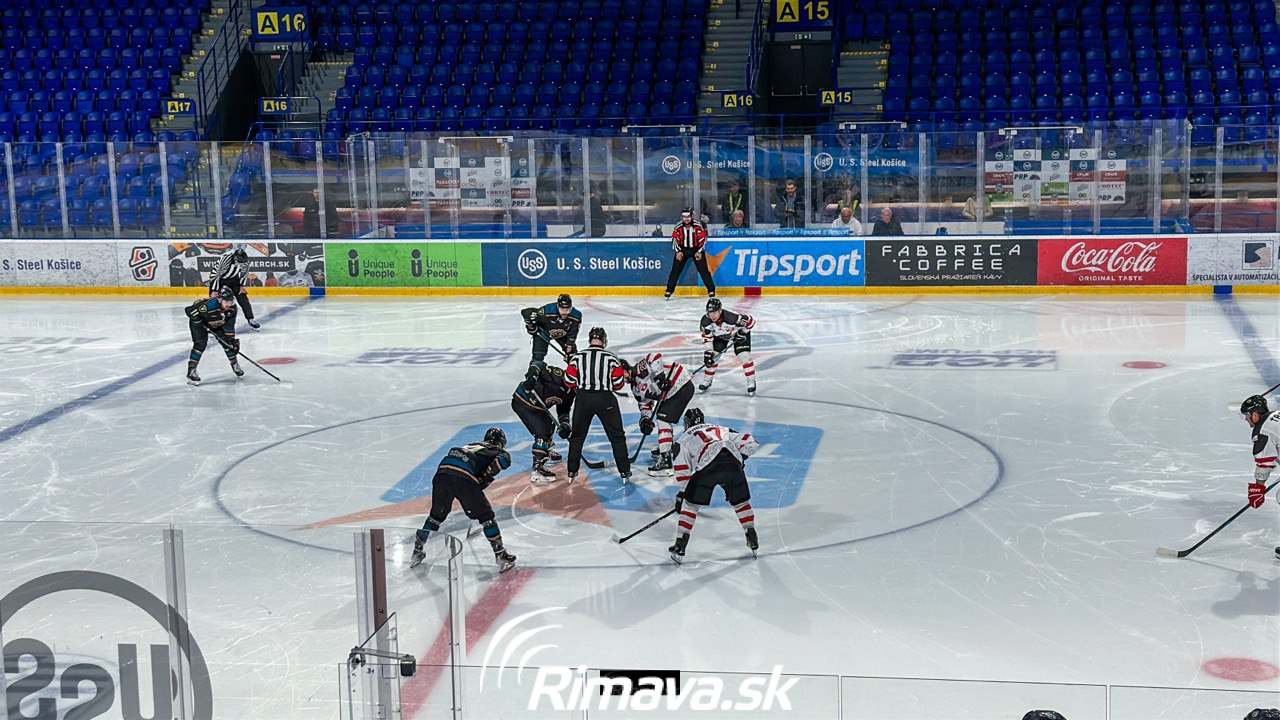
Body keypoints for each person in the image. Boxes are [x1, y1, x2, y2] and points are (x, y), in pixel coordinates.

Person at [409, 428, 517, 573]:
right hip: (462, 477)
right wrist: (486, 475)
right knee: (486, 517)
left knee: (435, 516)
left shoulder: (471, 445)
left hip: (442, 473)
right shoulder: (496, 450)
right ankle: (500, 554)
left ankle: (417, 550)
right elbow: (503, 460)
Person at [668, 407, 760, 564]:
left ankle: (680, 545)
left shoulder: (683, 439)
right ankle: (751, 535)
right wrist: (739, 459)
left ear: (686, 423)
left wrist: (684, 492)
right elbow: (752, 442)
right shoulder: (721, 429)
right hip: (732, 462)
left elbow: (682, 471)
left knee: (690, 505)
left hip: (708, 466)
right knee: (740, 502)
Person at [564, 326, 631, 483]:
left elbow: (568, 381)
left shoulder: (577, 357)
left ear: (590, 340)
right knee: (617, 436)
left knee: (577, 437)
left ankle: (572, 471)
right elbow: (619, 384)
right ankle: (624, 471)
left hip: (583, 399)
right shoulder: (612, 357)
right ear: (604, 340)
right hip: (605, 399)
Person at [626, 352, 695, 476]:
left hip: (681, 385)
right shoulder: (635, 388)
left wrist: (660, 377)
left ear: (626, 369)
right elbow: (644, 404)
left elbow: (654, 356)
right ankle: (666, 447)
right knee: (662, 417)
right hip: (671, 394)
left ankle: (665, 460)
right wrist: (645, 420)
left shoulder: (639, 368)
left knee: (663, 419)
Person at [513, 363, 575, 483]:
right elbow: (538, 364)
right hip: (523, 401)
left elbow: (563, 410)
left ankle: (545, 451)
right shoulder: (556, 375)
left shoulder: (571, 392)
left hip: (538, 408)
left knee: (550, 425)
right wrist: (532, 375)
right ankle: (538, 468)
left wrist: (565, 424)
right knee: (542, 433)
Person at [1240, 395, 1280, 559]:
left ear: (1255, 415)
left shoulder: (1262, 430)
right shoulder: (1277, 414)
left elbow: (1264, 463)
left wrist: (1258, 487)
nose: (1246, 419)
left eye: (1247, 416)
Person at [184, 286, 243, 385]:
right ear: (219, 299)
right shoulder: (208, 306)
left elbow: (229, 326)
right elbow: (189, 310)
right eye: (226, 302)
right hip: (200, 324)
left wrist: (231, 341)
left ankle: (235, 365)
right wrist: (198, 321)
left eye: (231, 301)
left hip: (216, 322)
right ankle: (192, 370)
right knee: (200, 344)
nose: (229, 304)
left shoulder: (232, 309)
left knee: (227, 344)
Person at [698, 298, 757, 396]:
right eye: (710, 313)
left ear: (720, 311)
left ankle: (751, 382)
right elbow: (707, 338)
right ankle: (707, 382)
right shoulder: (705, 322)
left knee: (745, 356)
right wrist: (709, 351)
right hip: (721, 336)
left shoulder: (732, 318)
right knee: (712, 358)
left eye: (715, 313)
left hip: (738, 334)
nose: (712, 316)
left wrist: (742, 333)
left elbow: (751, 321)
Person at [664, 207, 716, 300]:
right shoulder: (678, 226)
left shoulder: (698, 226)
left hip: (696, 250)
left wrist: (699, 251)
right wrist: (678, 251)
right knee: (675, 270)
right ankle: (669, 290)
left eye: (688, 216)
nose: (686, 219)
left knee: (703, 270)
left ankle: (711, 290)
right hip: (682, 250)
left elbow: (703, 239)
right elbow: (674, 239)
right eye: (684, 217)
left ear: (691, 216)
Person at [208, 246, 260, 330]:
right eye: (240, 263)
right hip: (220, 280)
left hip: (234, 280)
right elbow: (215, 274)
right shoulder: (225, 259)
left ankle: (251, 319)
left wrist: (242, 286)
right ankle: (213, 323)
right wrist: (214, 290)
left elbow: (244, 273)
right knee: (214, 301)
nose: (242, 265)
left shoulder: (245, 261)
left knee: (243, 298)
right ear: (235, 258)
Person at [522, 293, 582, 364]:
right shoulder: (546, 311)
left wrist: (569, 346)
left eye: (568, 309)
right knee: (538, 357)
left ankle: (575, 368)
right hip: (545, 332)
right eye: (562, 309)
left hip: (563, 334)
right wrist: (530, 325)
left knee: (573, 356)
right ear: (557, 306)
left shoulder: (576, 316)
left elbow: (573, 333)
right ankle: (535, 368)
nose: (565, 312)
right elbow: (532, 325)